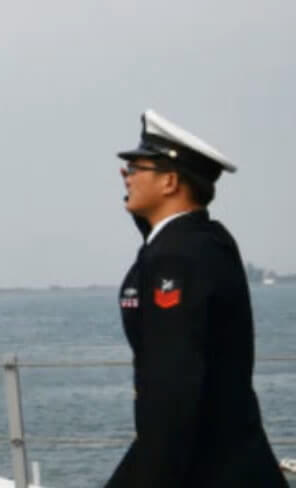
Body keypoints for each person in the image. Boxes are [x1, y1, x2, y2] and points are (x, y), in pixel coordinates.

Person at [105, 110, 283, 487]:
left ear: (170, 182)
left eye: (137, 167)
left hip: (204, 465)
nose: (126, 174)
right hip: (224, 457)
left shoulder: (177, 257)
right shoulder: (198, 241)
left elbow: (174, 380)